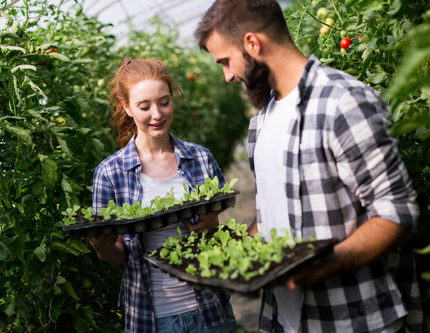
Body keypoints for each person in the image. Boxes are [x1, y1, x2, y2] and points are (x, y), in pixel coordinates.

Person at [194, 1, 423, 332]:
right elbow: (272, 215)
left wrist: (317, 267)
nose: (228, 75)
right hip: (283, 319)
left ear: (252, 43)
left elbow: (397, 215)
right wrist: (230, 247)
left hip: (351, 318)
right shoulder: (260, 123)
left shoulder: (342, 102)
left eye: (226, 62)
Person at [88, 58, 237, 333]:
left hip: (210, 312)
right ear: (127, 107)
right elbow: (118, 256)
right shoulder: (109, 173)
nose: (157, 114)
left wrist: (211, 228)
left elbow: (216, 234)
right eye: (144, 106)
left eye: (164, 102)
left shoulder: (200, 159)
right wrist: (102, 246)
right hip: (151, 319)